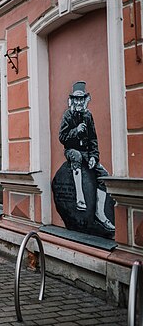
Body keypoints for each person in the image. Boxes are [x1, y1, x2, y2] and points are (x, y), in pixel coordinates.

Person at [58, 81, 114, 231]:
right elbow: (62, 137)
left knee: (103, 174)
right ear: (72, 100)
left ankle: (99, 213)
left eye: (81, 99)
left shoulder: (88, 116)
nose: (78, 102)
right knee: (75, 156)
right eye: (76, 99)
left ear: (84, 100)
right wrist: (76, 130)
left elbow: (93, 138)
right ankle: (80, 198)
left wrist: (94, 157)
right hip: (72, 150)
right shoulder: (68, 115)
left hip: (87, 152)